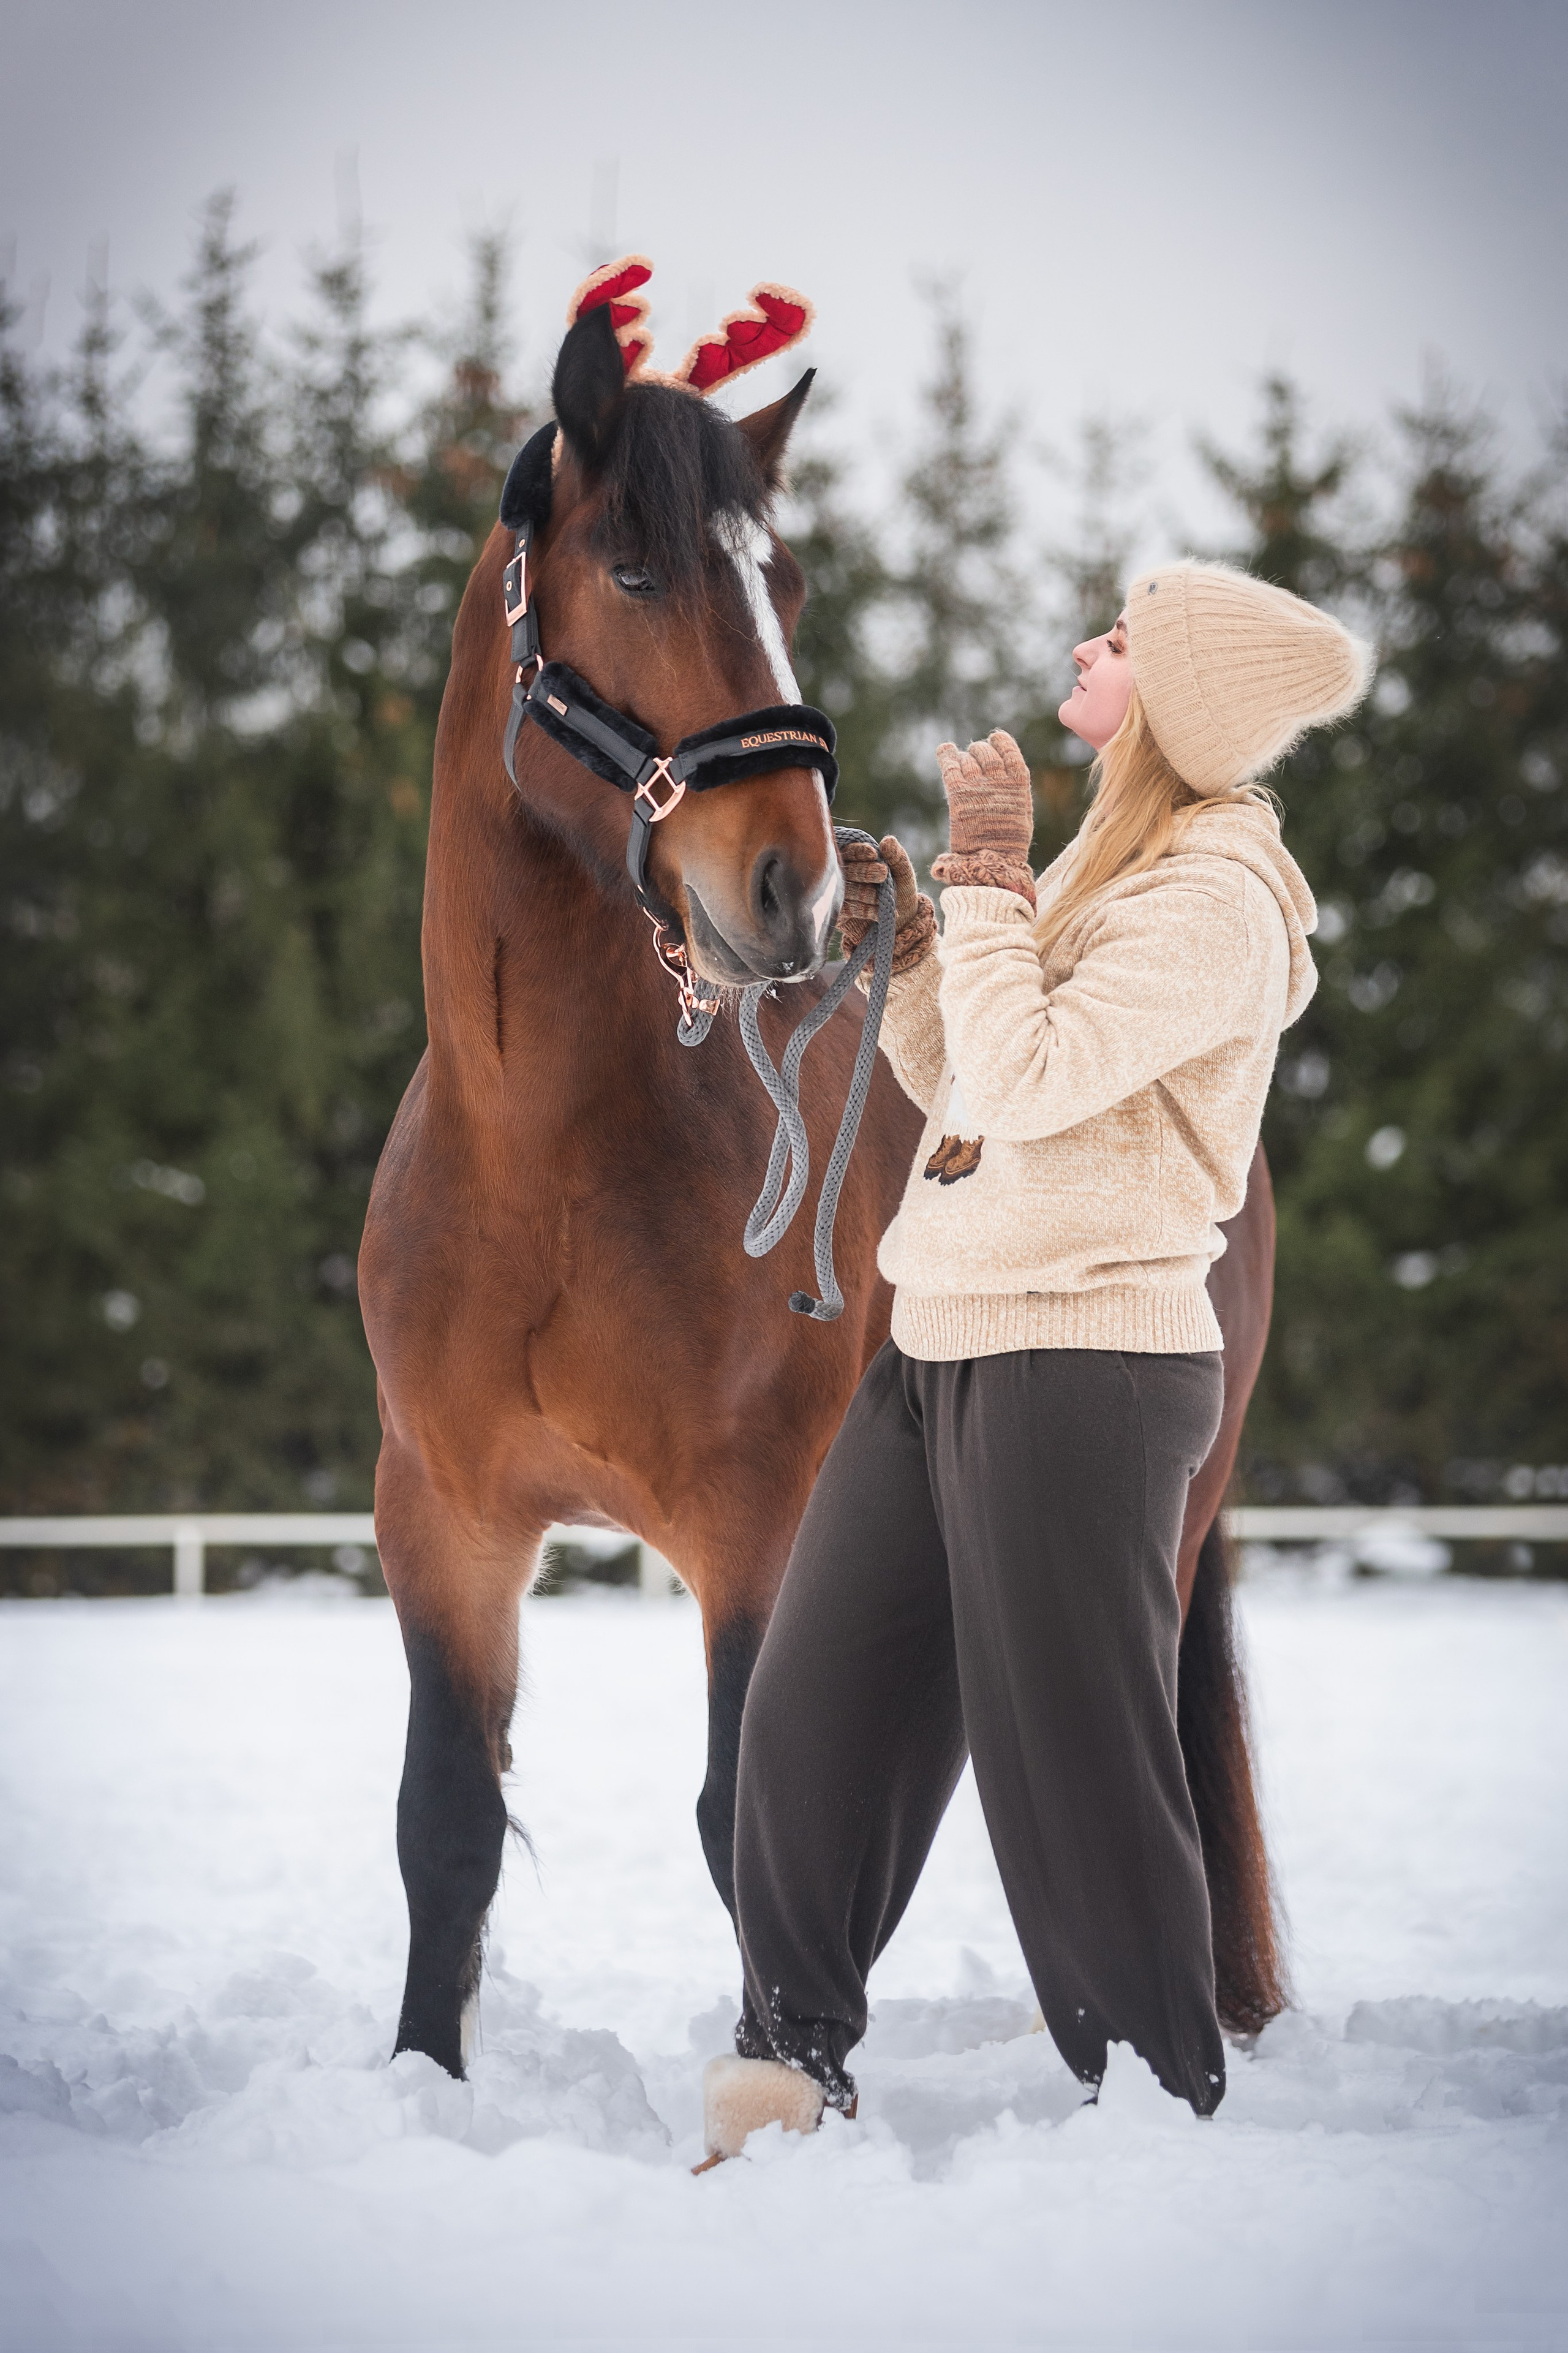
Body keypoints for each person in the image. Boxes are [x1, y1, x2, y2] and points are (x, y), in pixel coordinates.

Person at [698, 559, 1370, 2167]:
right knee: (809, 1715)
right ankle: (788, 2065)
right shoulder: (1108, 864)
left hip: (1087, 1364)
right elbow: (969, 1085)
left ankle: (1156, 2097)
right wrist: (925, 945)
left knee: (1074, 1770)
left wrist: (988, 881)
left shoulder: (1218, 895)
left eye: (1126, 639)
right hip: (940, 1338)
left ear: (1183, 700)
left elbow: (1039, 1064)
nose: (1089, 644)